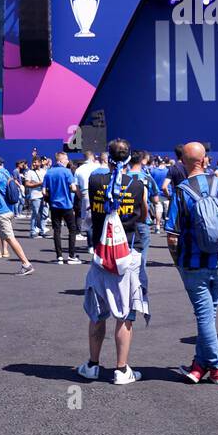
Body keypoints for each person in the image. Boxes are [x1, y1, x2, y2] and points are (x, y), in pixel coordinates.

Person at [78, 139, 149, 385]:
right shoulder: (138, 184)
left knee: (98, 313)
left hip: (100, 253)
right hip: (127, 253)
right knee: (125, 314)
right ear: (129, 157)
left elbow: (88, 209)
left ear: (108, 157)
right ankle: (121, 369)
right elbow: (143, 215)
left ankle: (93, 364)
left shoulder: (95, 181)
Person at [166, 141, 218, 384]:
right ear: (205, 159)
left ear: (183, 162)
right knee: (209, 314)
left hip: (193, 263)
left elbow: (172, 236)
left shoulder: (182, 190)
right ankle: (198, 365)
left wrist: (178, 263)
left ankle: (217, 366)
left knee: (204, 316)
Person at [43, 151, 81, 264]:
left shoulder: (48, 173)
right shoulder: (67, 172)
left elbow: (44, 191)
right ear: (60, 160)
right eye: (66, 159)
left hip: (54, 205)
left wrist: (51, 196)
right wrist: (78, 194)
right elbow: (73, 188)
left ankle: (59, 256)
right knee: (72, 229)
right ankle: (71, 256)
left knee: (57, 230)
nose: (67, 161)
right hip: (67, 205)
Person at [23, 158, 46, 239]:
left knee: (43, 214)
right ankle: (32, 232)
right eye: (33, 163)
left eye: (35, 162)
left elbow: (46, 183)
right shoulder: (29, 172)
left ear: (40, 163)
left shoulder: (44, 171)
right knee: (35, 214)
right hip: (35, 195)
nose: (34, 164)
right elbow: (27, 184)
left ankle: (42, 231)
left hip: (43, 195)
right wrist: (39, 184)